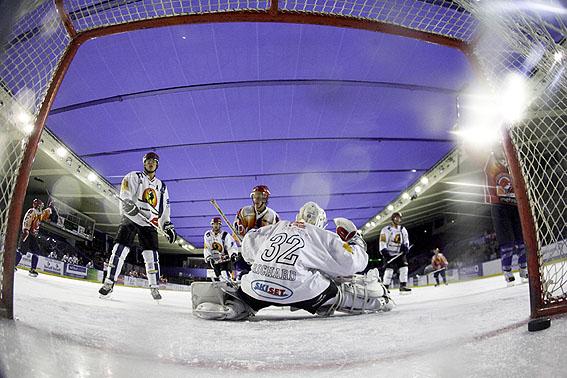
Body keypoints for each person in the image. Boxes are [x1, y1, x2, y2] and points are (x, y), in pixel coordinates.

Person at [192, 201, 393, 320]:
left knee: (248, 290)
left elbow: (248, 249)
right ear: (321, 221)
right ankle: (374, 301)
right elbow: (350, 264)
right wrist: (356, 242)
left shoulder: (277, 227)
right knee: (337, 290)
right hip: (302, 292)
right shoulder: (322, 235)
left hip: (257, 287)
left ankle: (236, 306)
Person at [98, 152, 177, 300]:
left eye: (153, 161)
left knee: (152, 256)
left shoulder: (162, 187)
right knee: (119, 249)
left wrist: (167, 225)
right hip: (131, 218)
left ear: (157, 164)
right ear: (144, 163)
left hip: (150, 223)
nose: (150, 163)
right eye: (148, 161)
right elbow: (125, 194)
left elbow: (165, 209)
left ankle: (154, 287)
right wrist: (128, 204)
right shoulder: (133, 177)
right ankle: (109, 283)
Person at [484, 146, 528, 286]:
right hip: (500, 207)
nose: (503, 151)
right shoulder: (490, 165)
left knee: (522, 240)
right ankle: (507, 271)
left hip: (515, 204)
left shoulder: (513, 162)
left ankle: (523, 268)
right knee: (507, 242)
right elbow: (497, 185)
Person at [232, 185, 280, 278]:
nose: (256, 199)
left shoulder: (273, 216)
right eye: (254, 196)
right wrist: (246, 242)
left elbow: (276, 237)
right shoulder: (244, 211)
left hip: (263, 254)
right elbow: (237, 231)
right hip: (247, 252)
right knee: (240, 268)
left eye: (259, 196)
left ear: (265, 198)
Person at [15, 198, 55, 277]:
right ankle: (13, 265)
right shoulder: (32, 211)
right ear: (37, 206)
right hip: (28, 233)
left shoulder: (39, 213)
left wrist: (50, 208)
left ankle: (33, 270)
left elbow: (44, 216)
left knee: (36, 252)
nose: (41, 207)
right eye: (40, 206)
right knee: (21, 250)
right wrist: (25, 230)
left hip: (33, 235)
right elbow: (26, 220)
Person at [379, 212, 412, 293]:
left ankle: (403, 286)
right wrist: (384, 251)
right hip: (389, 254)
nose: (398, 219)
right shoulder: (385, 230)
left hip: (399, 254)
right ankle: (385, 288)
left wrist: (405, 247)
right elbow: (382, 241)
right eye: (396, 218)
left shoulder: (402, 229)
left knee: (404, 268)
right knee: (389, 271)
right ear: (392, 219)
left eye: (399, 218)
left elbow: (406, 240)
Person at [203, 217, 238, 281]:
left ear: (220, 225)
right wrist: (208, 257)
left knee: (225, 273)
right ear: (212, 225)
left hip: (224, 258)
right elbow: (206, 247)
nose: (216, 226)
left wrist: (233, 253)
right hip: (214, 259)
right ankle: (220, 281)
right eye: (214, 224)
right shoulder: (208, 235)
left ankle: (229, 280)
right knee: (216, 275)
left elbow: (231, 245)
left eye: (217, 224)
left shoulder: (225, 235)